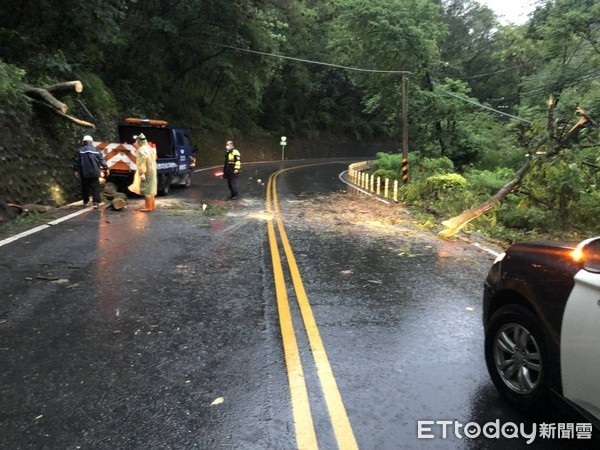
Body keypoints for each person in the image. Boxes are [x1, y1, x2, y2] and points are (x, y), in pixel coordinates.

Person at [73, 135, 108, 209]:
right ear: (91, 142)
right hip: (95, 172)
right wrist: (106, 167)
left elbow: (77, 161)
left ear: (83, 142)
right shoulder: (96, 150)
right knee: (95, 187)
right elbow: (101, 160)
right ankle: (95, 203)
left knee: (85, 186)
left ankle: (86, 201)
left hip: (84, 172)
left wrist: (76, 170)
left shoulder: (80, 150)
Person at [128, 133, 157, 212]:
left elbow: (142, 162)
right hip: (152, 171)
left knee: (147, 189)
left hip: (147, 172)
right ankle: (152, 206)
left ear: (139, 142)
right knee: (151, 189)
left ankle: (148, 207)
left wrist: (142, 173)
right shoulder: (149, 148)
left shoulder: (141, 150)